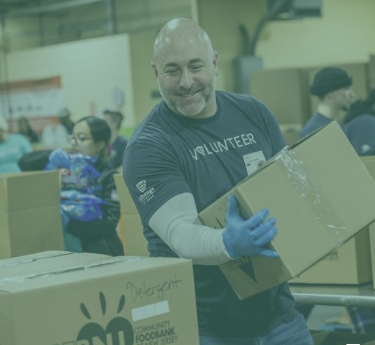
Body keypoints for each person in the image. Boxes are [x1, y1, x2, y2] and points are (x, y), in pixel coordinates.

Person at [122, 18, 310, 344]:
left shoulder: (254, 113)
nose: (186, 81)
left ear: (215, 62)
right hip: (204, 325)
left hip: (278, 315)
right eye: (172, 70)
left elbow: (290, 188)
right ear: (155, 72)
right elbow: (180, 233)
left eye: (196, 66)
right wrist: (228, 243)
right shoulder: (149, 145)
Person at [48, 116, 123, 255]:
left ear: (99, 145)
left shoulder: (108, 176)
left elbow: (109, 224)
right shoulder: (65, 169)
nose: (74, 143)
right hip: (65, 251)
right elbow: (24, 162)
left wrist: (69, 225)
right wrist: (51, 155)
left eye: (81, 138)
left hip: (99, 252)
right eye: (73, 137)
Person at [303, 67, 357, 139]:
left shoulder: (338, 125)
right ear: (330, 94)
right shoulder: (314, 130)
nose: (352, 95)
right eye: (346, 89)